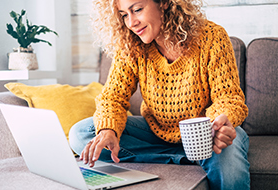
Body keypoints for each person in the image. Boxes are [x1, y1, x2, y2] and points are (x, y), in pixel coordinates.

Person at [69, 0, 250, 189]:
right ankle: (186, 159)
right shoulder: (131, 44)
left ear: (164, 3)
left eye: (137, 10)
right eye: (124, 15)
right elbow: (112, 97)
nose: (131, 22)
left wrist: (213, 129)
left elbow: (229, 99)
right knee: (81, 133)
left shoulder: (211, 37)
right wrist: (108, 130)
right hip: (157, 132)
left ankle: (192, 155)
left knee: (229, 161)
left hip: (206, 133)